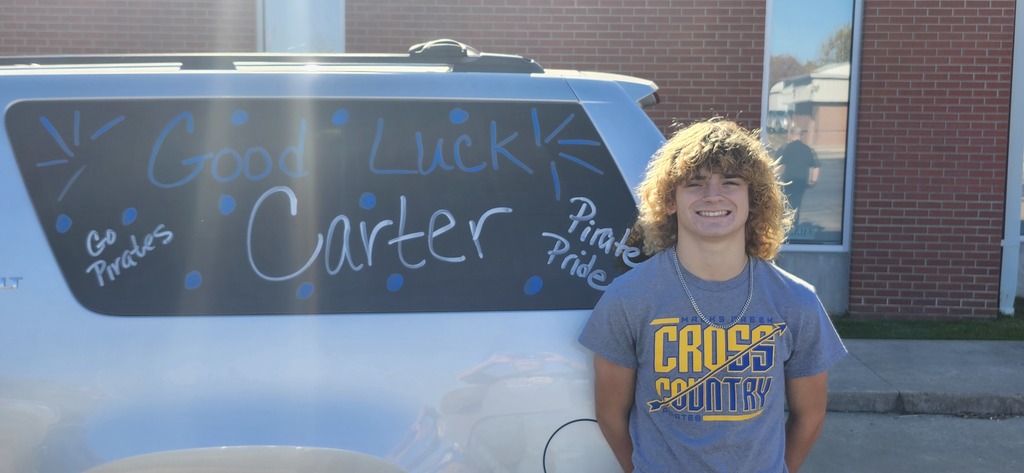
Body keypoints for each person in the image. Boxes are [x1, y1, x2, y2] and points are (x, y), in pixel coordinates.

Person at [578, 118, 846, 472]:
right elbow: (611, 414)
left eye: (730, 182)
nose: (712, 195)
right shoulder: (628, 298)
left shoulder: (797, 302)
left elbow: (809, 415)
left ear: (754, 200)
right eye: (695, 183)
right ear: (670, 201)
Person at [777, 128, 821, 225]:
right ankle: (794, 223)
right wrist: (813, 181)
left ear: (790, 134)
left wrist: (774, 178)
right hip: (801, 180)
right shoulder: (808, 149)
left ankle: (785, 224)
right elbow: (816, 166)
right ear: (801, 136)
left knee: (786, 202)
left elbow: (780, 165)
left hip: (787, 180)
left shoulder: (784, 148)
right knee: (797, 202)